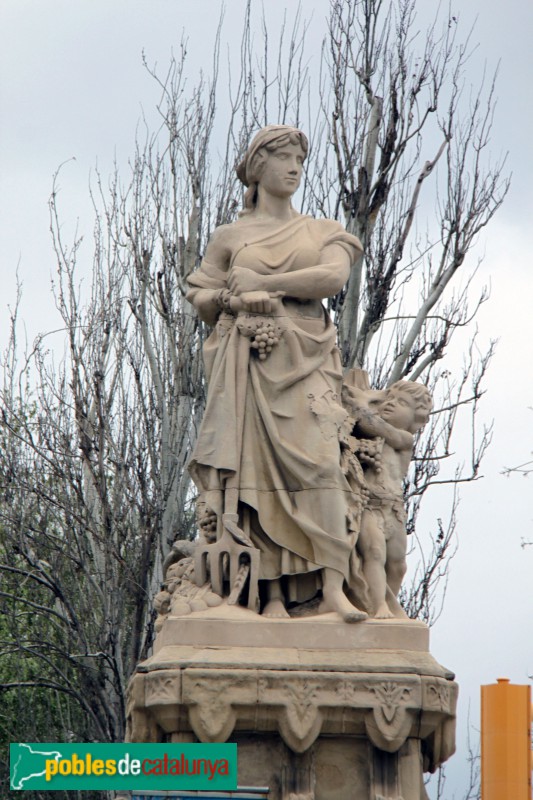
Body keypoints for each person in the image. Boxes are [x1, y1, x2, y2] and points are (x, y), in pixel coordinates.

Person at [186, 125, 366, 621]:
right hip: (252, 365)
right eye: (284, 157)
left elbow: (331, 277)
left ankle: (331, 589)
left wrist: (267, 282)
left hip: (307, 358)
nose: (293, 168)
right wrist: (230, 298)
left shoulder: (323, 231)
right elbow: (199, 295)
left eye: (299, 160)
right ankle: (270, 596)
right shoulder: (230, 237)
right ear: (257, 166)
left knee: (324, 466)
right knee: (254, 478)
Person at [342, 378, 432, 618]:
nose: (391, 404)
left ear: (416, 417)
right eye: (388, 399)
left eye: (401, 402)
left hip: (394, 509)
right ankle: (377, 606)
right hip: (369, 506)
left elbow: (373, 423)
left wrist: (363, 399)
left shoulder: (402, 438)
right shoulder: (366, 439)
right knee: (373, 552)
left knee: (397, 565)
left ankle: (389, 602)